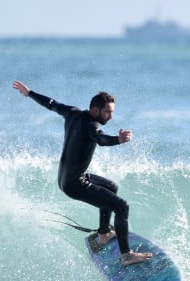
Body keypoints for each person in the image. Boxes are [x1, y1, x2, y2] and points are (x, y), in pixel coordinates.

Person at [12, 80, 152, 266]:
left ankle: (103, 233)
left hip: (66, 179)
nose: (111, 116)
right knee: (122, 207)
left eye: (112, 112)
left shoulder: (72, 113)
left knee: (112, 187)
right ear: (95, 110)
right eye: (107, 112)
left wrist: (30, 93)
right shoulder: (92, 126)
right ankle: (126, 255)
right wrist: (118, 139)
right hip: (76, 184)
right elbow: (100, 139)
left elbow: (52, 104)